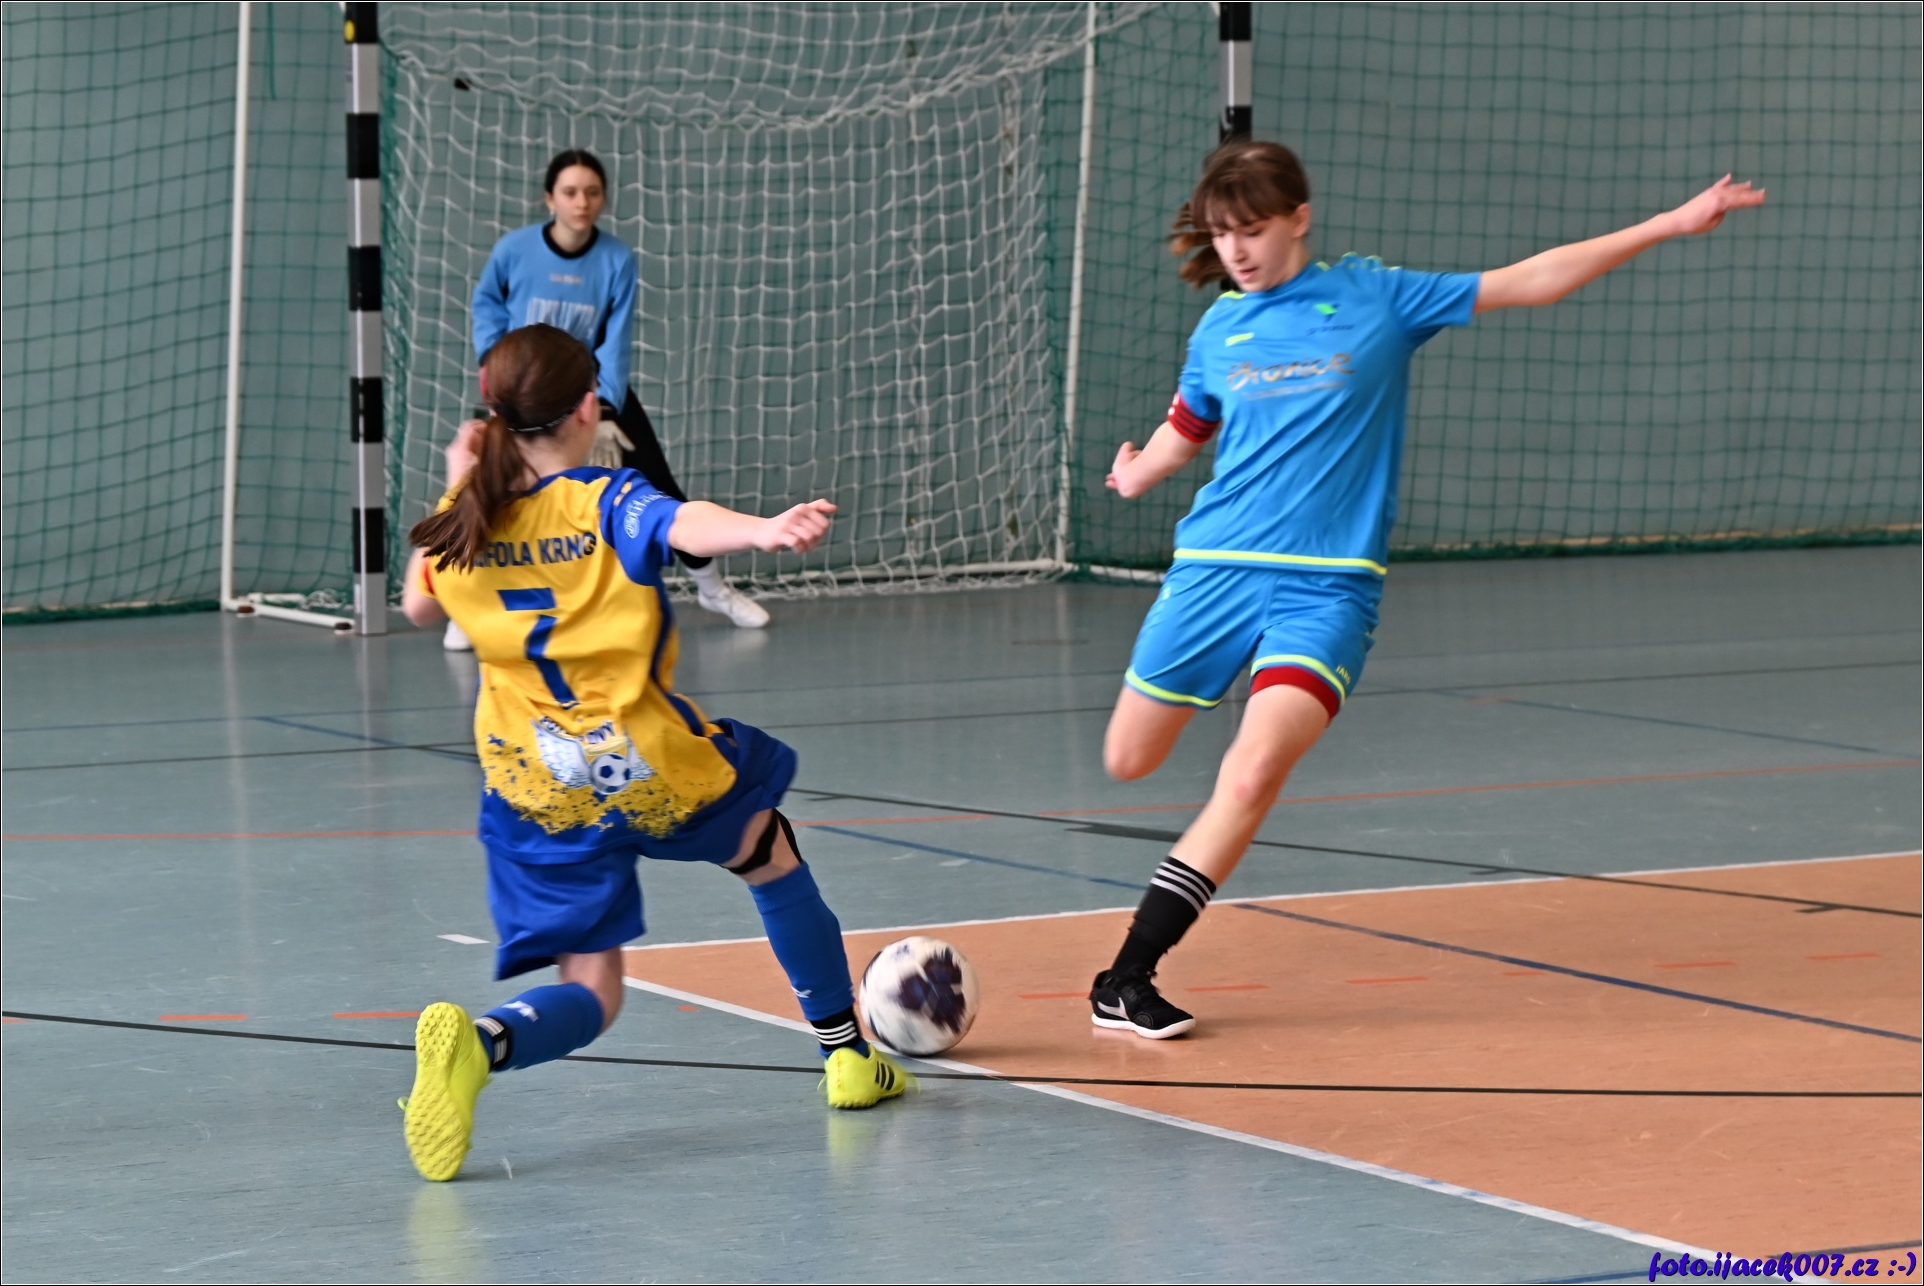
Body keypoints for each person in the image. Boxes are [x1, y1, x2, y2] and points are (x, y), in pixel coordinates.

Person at [1089, 140, 1764, 1039]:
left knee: (1251, 772)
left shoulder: (1378, 297)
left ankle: (1126, 977)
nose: (1236, 250)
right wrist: (1137, 472)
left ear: (1299, 218)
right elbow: (1187, 427)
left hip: (1327, 592)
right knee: (1128, 760)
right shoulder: (1220, 329)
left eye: (1252, 229)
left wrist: (1671, 223)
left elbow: (1531, 281)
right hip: (1216, 572)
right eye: (1222, 234)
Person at [398, 324, 910, 1183]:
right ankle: (847, 1057)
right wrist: (765, 529)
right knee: (770, 855)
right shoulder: (599, 499)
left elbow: (419, 605)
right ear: (589, 410)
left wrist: (456, 479)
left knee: (592, 990)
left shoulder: (465, 518)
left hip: (534, 781)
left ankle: (483, 1045)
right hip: (645, 765)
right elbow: (681, 522)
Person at [447, 146, 768, 653]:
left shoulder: (617, 259)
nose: (582, 202)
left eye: (592, 192)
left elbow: (615, 341)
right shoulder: (514, 250)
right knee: (488, 486)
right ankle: (465, 604)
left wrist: (604, 408)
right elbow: (485, 303)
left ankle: (712, 589)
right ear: (549, 198)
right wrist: (494, 361)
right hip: (520, 388)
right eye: (571, 192)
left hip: (590, 392)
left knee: (660, 484)